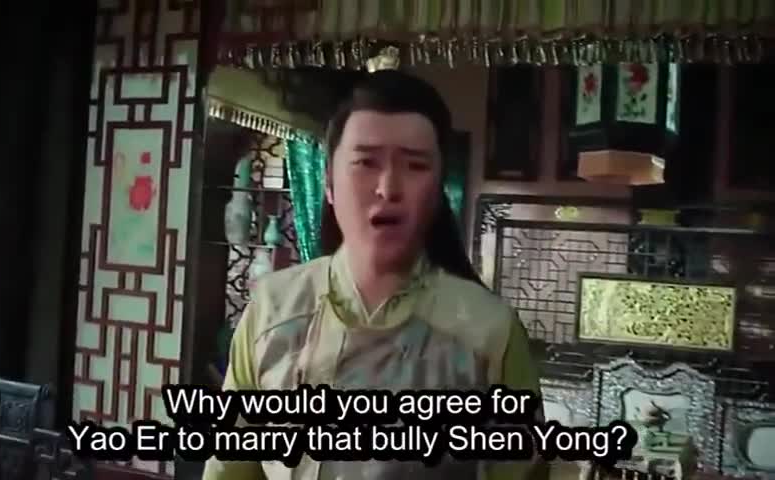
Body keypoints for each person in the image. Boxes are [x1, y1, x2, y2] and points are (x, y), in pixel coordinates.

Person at [203, 70, 547, 480]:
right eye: (366, 162)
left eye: (415, 165)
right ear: (329, 184)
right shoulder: (271, 311)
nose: (388, 188)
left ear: (438, 190)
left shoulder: (490, 333)